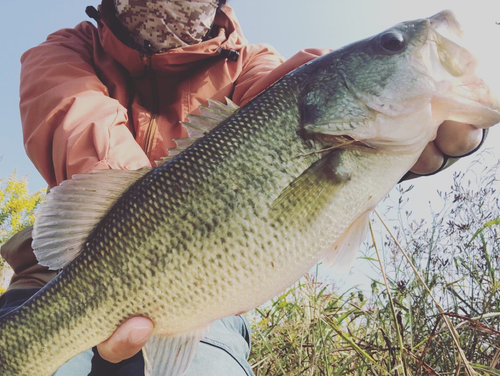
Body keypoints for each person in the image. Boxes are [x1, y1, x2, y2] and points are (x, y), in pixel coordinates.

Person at [0, 0, 487, 375]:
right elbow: (82, 133)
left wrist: (408, 148)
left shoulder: (254, 64)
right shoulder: (63, 51)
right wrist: (140, 263)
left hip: (202, 311)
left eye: (389, 45)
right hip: (57, 282)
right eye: (393, 44)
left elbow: (296, 92)